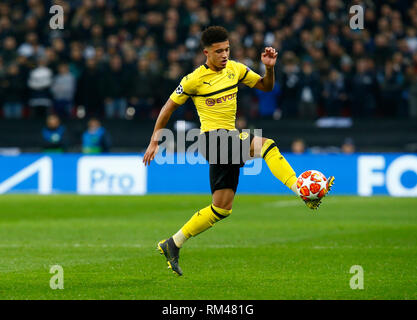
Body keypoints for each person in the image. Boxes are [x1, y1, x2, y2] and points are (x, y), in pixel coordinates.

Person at [142, 26, 335, 276]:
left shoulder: (236, 68)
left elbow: (265, 87)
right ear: (206, 53)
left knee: (221, 208)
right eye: (219, 51)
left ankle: (173, 243)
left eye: (227, 49)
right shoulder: (193, 80)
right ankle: (301, 188)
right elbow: (167, 109)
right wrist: (154, 141)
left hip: (227, 139)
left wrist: (269, 67)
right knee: (267, 145)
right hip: (212, 140)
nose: (224, 55)